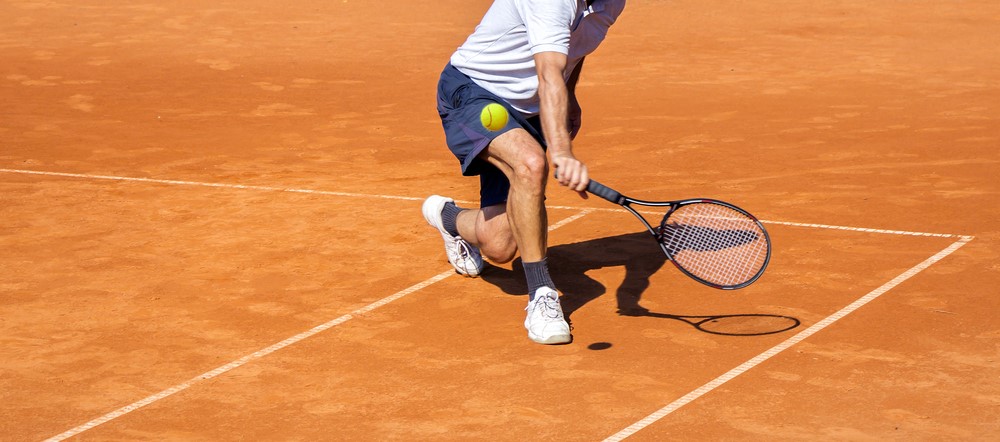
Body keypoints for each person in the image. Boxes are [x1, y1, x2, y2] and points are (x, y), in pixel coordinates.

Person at [423, 0, 627, 344]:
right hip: (475, 93)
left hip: (528, 109)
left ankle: (447, 218)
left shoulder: (612, 2)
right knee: (532, 163)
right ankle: (542, 296)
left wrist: (571, 94)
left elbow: (573, 47)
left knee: (499, 247)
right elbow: (548, 74)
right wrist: (560, 150)